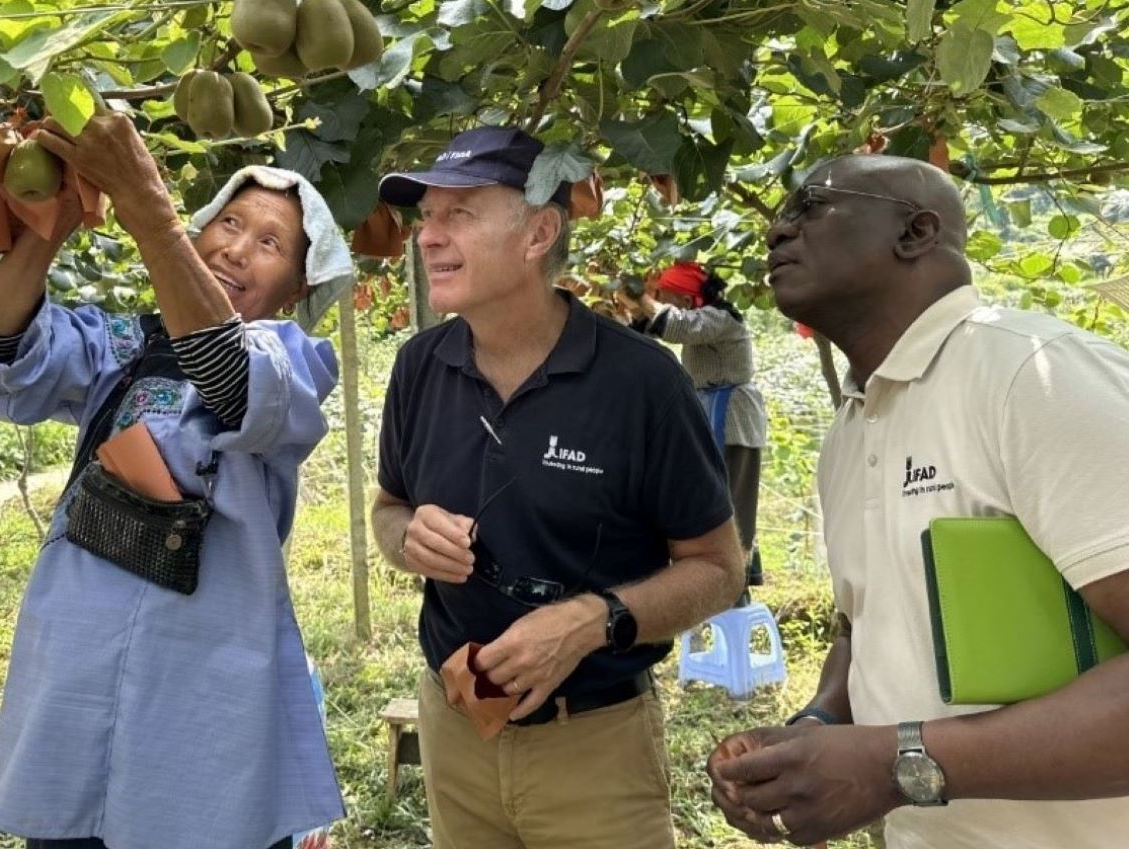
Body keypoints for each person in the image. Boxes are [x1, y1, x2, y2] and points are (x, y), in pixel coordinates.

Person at [0, 112, 353, 849]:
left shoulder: (295, 360)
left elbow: (234, 380)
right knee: (70, 824)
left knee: (196, 821)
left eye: (270, 243)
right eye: (229, 222)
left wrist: (145, 206)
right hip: (75, 669)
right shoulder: (121, 343)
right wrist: (50, 223)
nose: (237, 247)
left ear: (295, 288)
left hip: (199, 686)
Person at [707, 154, 1129, 848]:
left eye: (810, 203)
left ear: (916, 231)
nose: (777, 230)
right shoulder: (853, 422)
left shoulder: (1028, 376)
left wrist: (892, 764)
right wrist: (816, 727)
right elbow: (864, 624)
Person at [370, 126, 745, 849]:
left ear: (540, 232)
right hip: (455, 725)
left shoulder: (641, 383)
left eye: (460, 214)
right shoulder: (420, 365)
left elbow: (718, 568)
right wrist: (409, 537)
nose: (427, 237)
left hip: (595, 745)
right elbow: (390, 509)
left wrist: (590, 621)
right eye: (426, 217)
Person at [625, 261, 768, 589]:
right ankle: (719, 573)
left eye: (668, 296)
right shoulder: (703, 319)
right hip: (709, 410)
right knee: (711, 495)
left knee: (734, 499)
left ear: (688, 301)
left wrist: (643, 297)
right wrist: (633, 305)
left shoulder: (722, 320)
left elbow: (676, 327)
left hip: (734, 419)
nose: (662, 301)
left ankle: (737, 579)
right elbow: (646, 333)